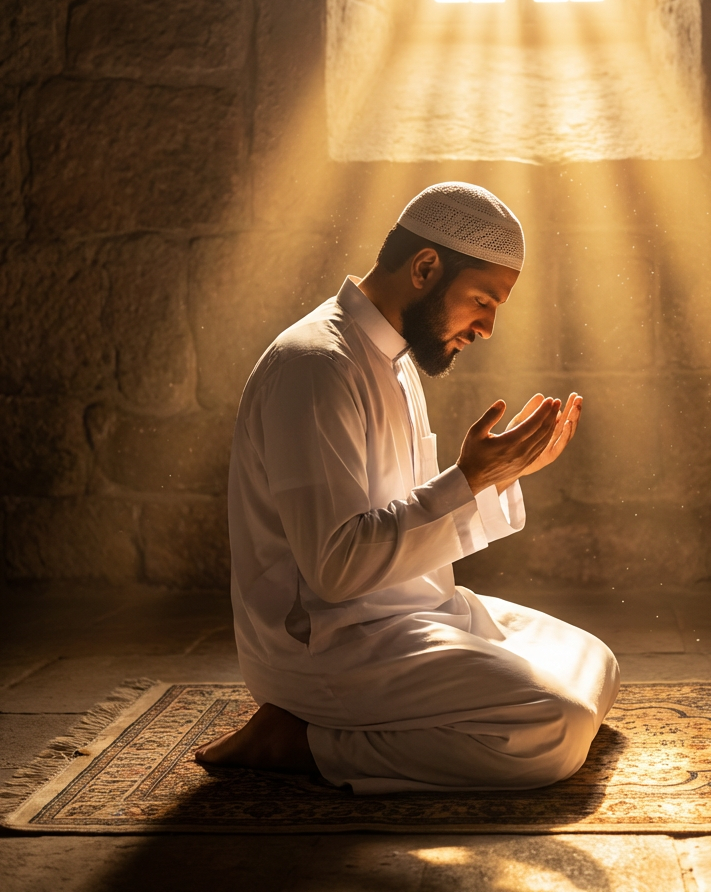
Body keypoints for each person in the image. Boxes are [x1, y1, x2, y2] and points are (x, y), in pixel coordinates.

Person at [195, 181, 620, 792]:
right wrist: (469, 477)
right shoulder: (315, 367)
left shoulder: (393, 359)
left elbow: (409, 522)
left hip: (416, 612)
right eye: (482, 300)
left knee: (596, 661)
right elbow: (336, 569)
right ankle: (306, 741)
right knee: (554, 727)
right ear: (425, 267)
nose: (488, 327)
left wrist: (497, 476)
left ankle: (362, 726)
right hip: (331, 643)